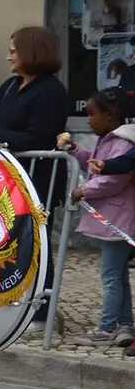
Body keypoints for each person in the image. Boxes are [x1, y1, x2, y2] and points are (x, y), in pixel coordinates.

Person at [0, 26, 70, 331]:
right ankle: (10, 303)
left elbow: (40, 136)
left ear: (32, 52)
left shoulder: (51, 90)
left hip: (38, 178)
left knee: (36, 243)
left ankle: (42, 310)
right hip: (6, 179)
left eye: (14, 51)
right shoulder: (9, 86)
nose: (8, 57)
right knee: (7, 242)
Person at [57, 88, 135, 348]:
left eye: (92, 114)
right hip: (117, 219)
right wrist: (75, 149)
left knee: (110, 276)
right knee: (118, 274)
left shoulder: (122, 142)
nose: (88, 120)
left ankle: (106, 327)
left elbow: (112, 179)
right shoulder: (109, 140)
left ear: (110, 115)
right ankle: (124, 325)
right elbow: (94, 163)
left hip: (118, 220)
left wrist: (83, 190)